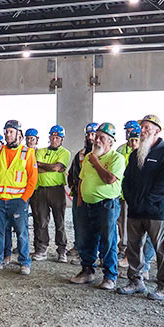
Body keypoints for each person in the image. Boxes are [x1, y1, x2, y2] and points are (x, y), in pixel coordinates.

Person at [118, 115, 164, 299]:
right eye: (141, 127)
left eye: (146, 128)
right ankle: (135, 281)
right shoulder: (135, 154)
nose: (142, 131)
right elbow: (127, 180)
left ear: (156, 131)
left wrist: (148, 203)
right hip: (135, 210)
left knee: (161, 249)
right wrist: (130, 200)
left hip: (154, 211)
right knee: (133, 247)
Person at [68, 123, 125, 287]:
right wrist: (80, 202)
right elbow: (81, 179)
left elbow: (109, 179)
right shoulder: (87, 157)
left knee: (108, 241)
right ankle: (87, 271)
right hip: (86, 205)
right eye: (96, 137)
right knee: (85, 239)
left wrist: (95, 161)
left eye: (102, 138)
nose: (96, 140)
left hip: (106, 206)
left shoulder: (116, 158)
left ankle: (110, 276)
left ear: (111, 142)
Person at [0, 120, 37, 275]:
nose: (8, 135)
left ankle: (24, 263)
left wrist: (24, 199)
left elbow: (32, 178)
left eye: (11, 132)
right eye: (6, 132)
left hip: (18, 200)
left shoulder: (27, 153)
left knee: (22, 233)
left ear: (19, 134)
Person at [31, 125, 72, 263]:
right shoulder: (41, 151)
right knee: (42, 221)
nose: (54, 139)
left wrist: (43, 165)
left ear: (62, 139)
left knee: (59, 221)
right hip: (41, 190)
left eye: (57, 137)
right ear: (49, 137)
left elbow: (57, 167)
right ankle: (42, 249)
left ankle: (62, 250)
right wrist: (50, 167)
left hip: (56, 190)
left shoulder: (65, 153)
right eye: (52, 137)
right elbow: (36, 167)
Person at [68, 123, 99, 267]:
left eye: (93, 134)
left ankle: (99, 255)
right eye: (88, 135)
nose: (90, 137)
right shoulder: (80, 155)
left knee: (97, 226)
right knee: (80, 224)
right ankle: (81, 251)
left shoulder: (105, 155)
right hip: (79, 195)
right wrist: (73, 187)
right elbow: (72, 172)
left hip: (96, 196)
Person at [115, 120, 141, 265]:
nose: (128, 133)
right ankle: (123, 248)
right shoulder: (121, 149)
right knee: (122, 222)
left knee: (135, 224)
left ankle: (132, 252)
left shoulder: (144, 151)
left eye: (131, 131)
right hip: (123, 192)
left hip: (136, 194)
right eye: (127, 131)